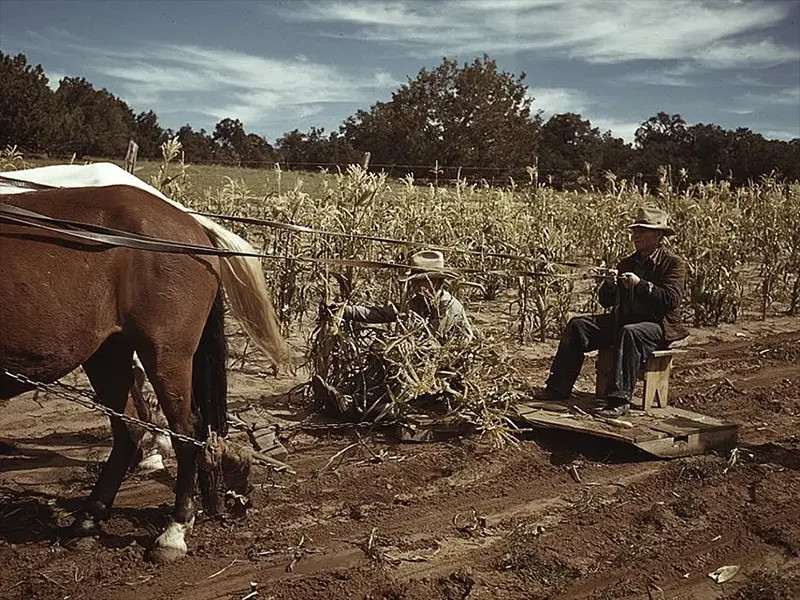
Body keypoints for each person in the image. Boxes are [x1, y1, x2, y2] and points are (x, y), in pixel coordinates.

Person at [537, 207, 689, 417]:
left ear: (658, 235)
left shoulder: (673, 264)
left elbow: (671, 300)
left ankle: (619, 399)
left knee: (630, 332)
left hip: (656, 327)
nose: (636, 236)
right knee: (578, 326)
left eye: (643, 231)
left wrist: (641, 285)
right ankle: (557, 388)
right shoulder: (628, 263)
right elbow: (606, 301)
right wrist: (609, 284)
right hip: (624, 321)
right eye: (635, 231)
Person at [312, 250, 474, 418]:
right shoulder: (418, 302)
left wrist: (398, 346)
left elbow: (429, 342)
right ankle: (345, 393)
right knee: (380, 357)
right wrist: (345, 310)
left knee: (394, 363)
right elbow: (380, 313)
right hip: (423, 357)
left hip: (447, 362)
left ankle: (357, 403)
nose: (416, 287)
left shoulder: (449, 307)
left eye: (421, 282)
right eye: (416, 283)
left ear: (437, 282)